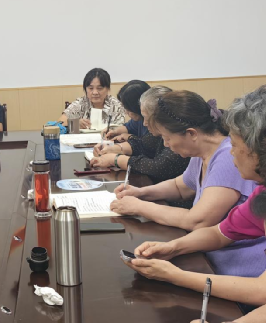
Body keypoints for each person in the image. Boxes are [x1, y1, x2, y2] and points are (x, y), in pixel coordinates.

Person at [124, 86, 266, 308]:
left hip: (242, 287)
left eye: (236, 145)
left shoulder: (225, 160)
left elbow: (261, 292)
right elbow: (220, 232)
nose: (231, 152)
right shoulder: (260, 195)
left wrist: (175, 276)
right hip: (221, 273)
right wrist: (173, 247)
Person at [108, 90, 258, 237]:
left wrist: (139, 207)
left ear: (191, 133)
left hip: (228, 252)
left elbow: (198, 221)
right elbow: (180, 187)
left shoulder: (227, 157)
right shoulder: (201, 153)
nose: (166, 144)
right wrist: (141, 193)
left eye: (167, 138)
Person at [91, 86, 190, 182]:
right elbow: (142, 145)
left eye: (146, 118)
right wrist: (112, 148)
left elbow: (158, 168)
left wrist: (115, 159)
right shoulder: (159, 134)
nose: (144, 123)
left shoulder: (180, 136)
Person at [59, 68, 125, 129]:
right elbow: (60, 123)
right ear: (85, 89)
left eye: (99, 88)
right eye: (90, 88)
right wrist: (76, 123)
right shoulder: (80, 103)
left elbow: (120, 128)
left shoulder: (116, 105)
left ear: (108, 89)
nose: (95, 92)